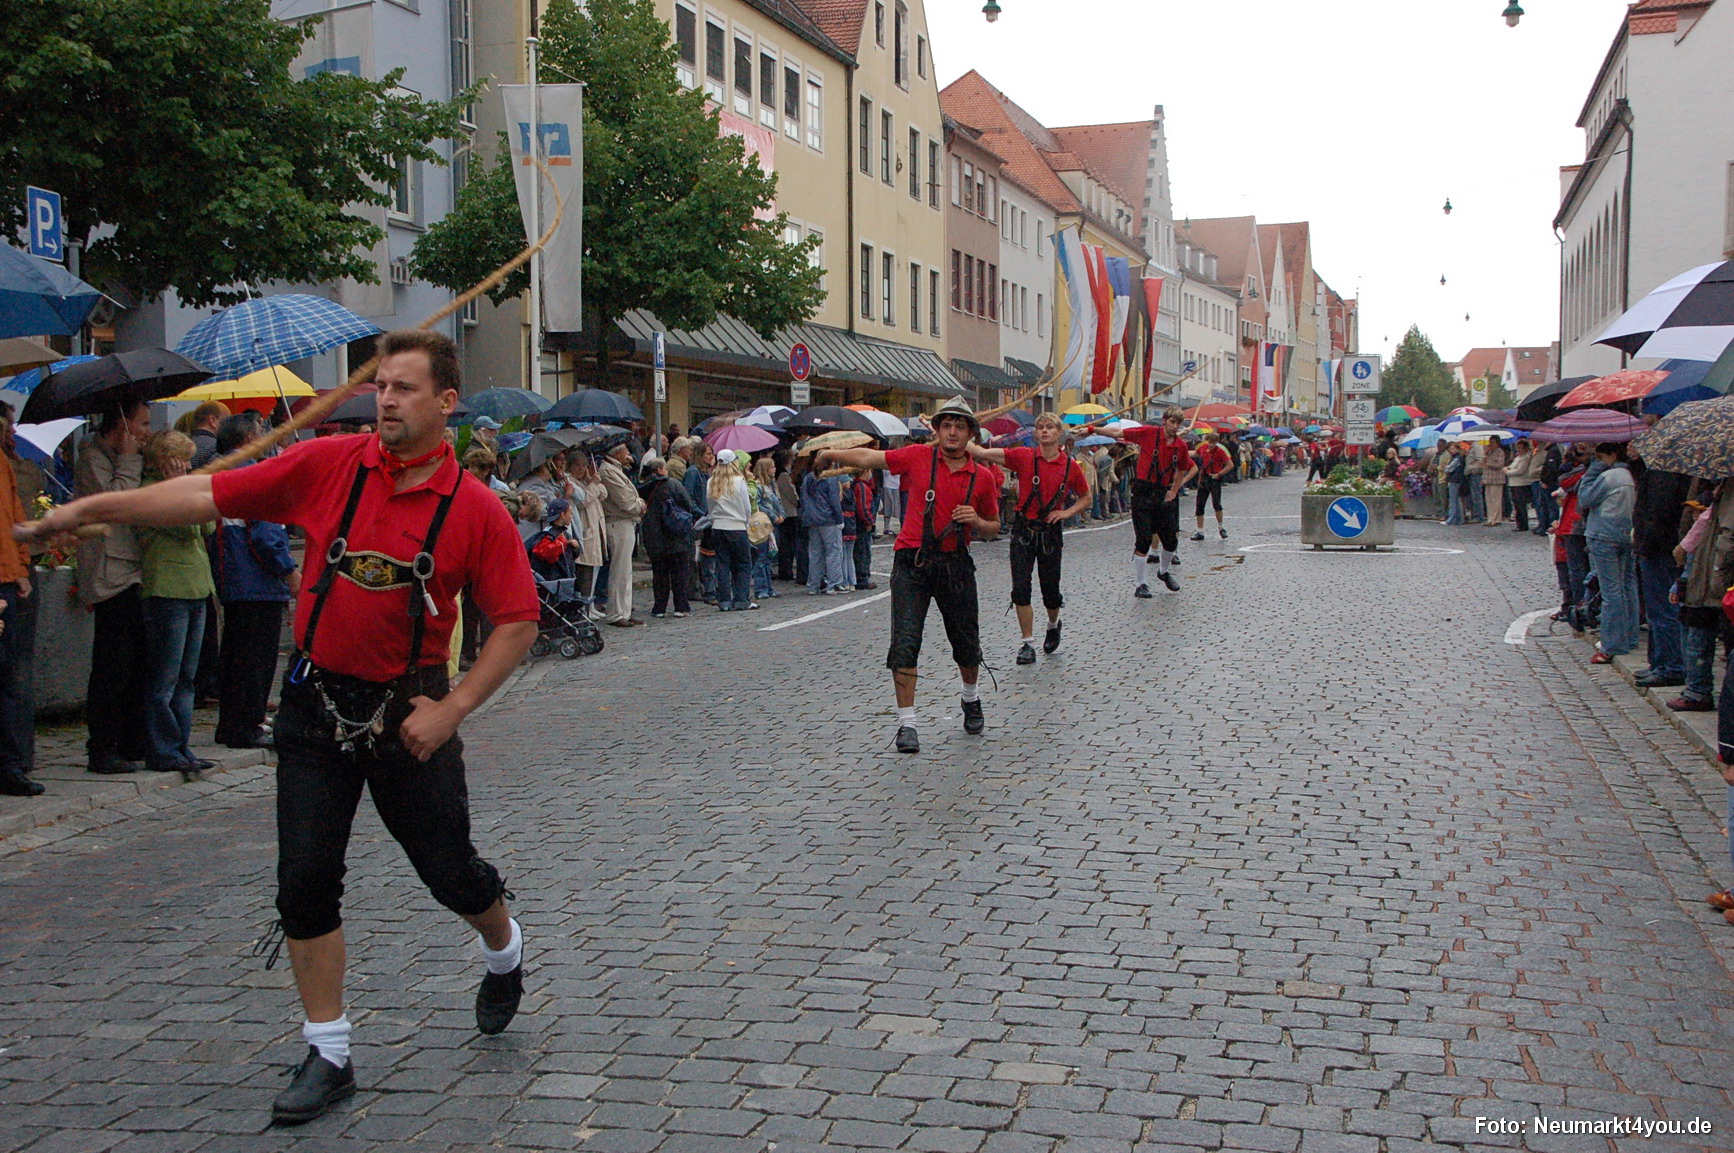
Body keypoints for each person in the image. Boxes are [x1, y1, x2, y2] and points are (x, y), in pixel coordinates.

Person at [21, 329, 541, 1125]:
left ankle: (503, 947)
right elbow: (206, 495)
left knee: (451, 870)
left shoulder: (472, 508)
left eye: (405, 388)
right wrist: (99, 506)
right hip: (314, 707)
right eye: (382, 387)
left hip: (412, 713)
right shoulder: (330, 465)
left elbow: (517, 622)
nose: (387, 400)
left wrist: (454, 707)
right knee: (303, 878)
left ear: (446, 402)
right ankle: (329, 1049)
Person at [816, 397, 1000, 754]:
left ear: (970, 434)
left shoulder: (983, 477)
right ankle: (907, 723)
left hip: (955, 564)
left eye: (959, 427)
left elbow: (994, 526)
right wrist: (831, 452)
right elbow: (872, 458)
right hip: (911, 563)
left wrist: (976, 522)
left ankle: (971, 697)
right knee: (904, 641)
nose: (952, 432)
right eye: (946, 425)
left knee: (966, 642)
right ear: (937, 430)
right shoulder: (917, 456)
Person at [964, 411, 1090, 666]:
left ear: (1058, 433)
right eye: (1040, 427)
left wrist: (1065, 513)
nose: (1044, 431)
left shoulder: (1069, 466)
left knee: (1050, 592)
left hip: (1050, 533)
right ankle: (1027, 643)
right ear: (1036, 433)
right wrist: (958, 430)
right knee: (1021, 589)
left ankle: (1053, 624)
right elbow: (983, 453)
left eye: (1050, 428)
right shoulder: (1024, 456)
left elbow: (1086, 497)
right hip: (1023, 531)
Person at [76, 397, 153, 775]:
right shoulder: (92, 456)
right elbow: (116, 501)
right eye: (141, 424)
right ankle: (102, 747)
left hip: (134, 568)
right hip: (110, 573)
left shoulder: (131, 454)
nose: (146, 433)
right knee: (113, 665)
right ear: (120, 426)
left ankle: (131, 740)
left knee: (139, 662)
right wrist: (128, 457)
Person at [212, 415, 297, 750]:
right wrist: (289, 571)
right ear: (248, 438)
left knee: (235, 654)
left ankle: (233, 722)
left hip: (234, 575)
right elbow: (266, 532)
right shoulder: (254, 473)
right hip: (257, 579)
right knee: (256, 658)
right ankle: (248, 723)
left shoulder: (221, 470)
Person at [1093, 405, 1196, 597]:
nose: (1175, 426)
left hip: (1164, 493)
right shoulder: (1148, 433)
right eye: (1172, 421)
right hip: (1143, 491)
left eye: (1178, 423)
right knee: (1143, 539)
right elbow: (1117, 432)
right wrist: (1093, 429)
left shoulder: (1180, 446)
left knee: (1171, 539)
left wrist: (1174, 490)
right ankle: (1140, 584)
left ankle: (1163, 572)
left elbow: (1183, 469)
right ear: (1165, 420)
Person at [0, 408, 37, 796]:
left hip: (7, 578)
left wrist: (21, 565)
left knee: (9, 677)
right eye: (8, 425)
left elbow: (14, 516)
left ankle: (10, 763)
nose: (13, 432)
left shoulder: (6, 464)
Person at [1578, 442, 1637, 664]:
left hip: (1604, 535)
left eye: (1601, 457)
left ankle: (1612, 644)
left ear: (1611, 455)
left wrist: (1591, 472)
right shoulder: (1629, 476)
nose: (1599, 462)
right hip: (1625, 534)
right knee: (1627, 588)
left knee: (1611, 592)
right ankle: (1629, 637)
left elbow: (1585, 499)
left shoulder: (1609, 476)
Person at [640, 453, 696, 618]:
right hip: (675, 534)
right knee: (679, 572)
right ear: (660, 469)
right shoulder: (672, 483)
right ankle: (681, 606)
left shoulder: (643, 487)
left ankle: (659, 607)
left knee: (659, 574)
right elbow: (687, 503)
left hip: (653, 536)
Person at [598, 442, 646, 627]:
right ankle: (616, 612)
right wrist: (640, 505)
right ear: (617, 453)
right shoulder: (608, 471)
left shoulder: (614, 469)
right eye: (625, 449)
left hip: (625, 522)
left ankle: (624, 610)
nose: (628, 453)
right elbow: (625, 501)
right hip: (618, 522)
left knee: (625, 571)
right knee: (619, 570)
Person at [707, 449, 756, 612]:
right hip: (737, 526)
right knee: (742, 563)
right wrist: (746, 522)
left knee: (723, 564)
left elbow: (710, 505)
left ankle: (724, 600)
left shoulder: (711, 482)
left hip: (718, 526)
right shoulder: (739, 481)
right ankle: (741, 599)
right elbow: (746, 507)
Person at [801, 459, 846, 595]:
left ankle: (813, 585)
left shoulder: (808, 478)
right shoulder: (830, 478)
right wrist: (840, 519)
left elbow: (803, 498)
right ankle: (834, 583)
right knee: (833, 551)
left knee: (815, 553)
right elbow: (834, 501)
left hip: (811, 519)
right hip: (828, 519)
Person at [1190, 431, 1233, 541]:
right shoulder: (1203, 448)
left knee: (1216, 504)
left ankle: (1221, 528)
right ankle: (1200, 531)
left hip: (1214, 479)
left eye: (1214, 442)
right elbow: (1195, 454)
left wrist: (1219, 474)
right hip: (1204, 479)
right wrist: (1183, 452)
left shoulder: (1220, 452)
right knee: (1199, 505)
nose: (1211, 444)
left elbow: (1230, 465)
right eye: (1210, 442)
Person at [188, 401, 231, 470]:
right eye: (226, 421)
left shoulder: (184, 445)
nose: (229, 426)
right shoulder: (216, 448)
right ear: (212, 420)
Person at [1480, 438, 1509, 526]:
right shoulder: (1488, 452)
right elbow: (1483, 464)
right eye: (1490, 442)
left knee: (1496, 500)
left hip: (1496, 479)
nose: (1490, 444)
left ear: (1497, 443)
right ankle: (1490, 518)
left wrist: (1487, 462)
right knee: (1488, 500)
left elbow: (1499, 464)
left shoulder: (1500, 452)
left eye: (1492, 442)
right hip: (1488, 479)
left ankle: (1496, 519)